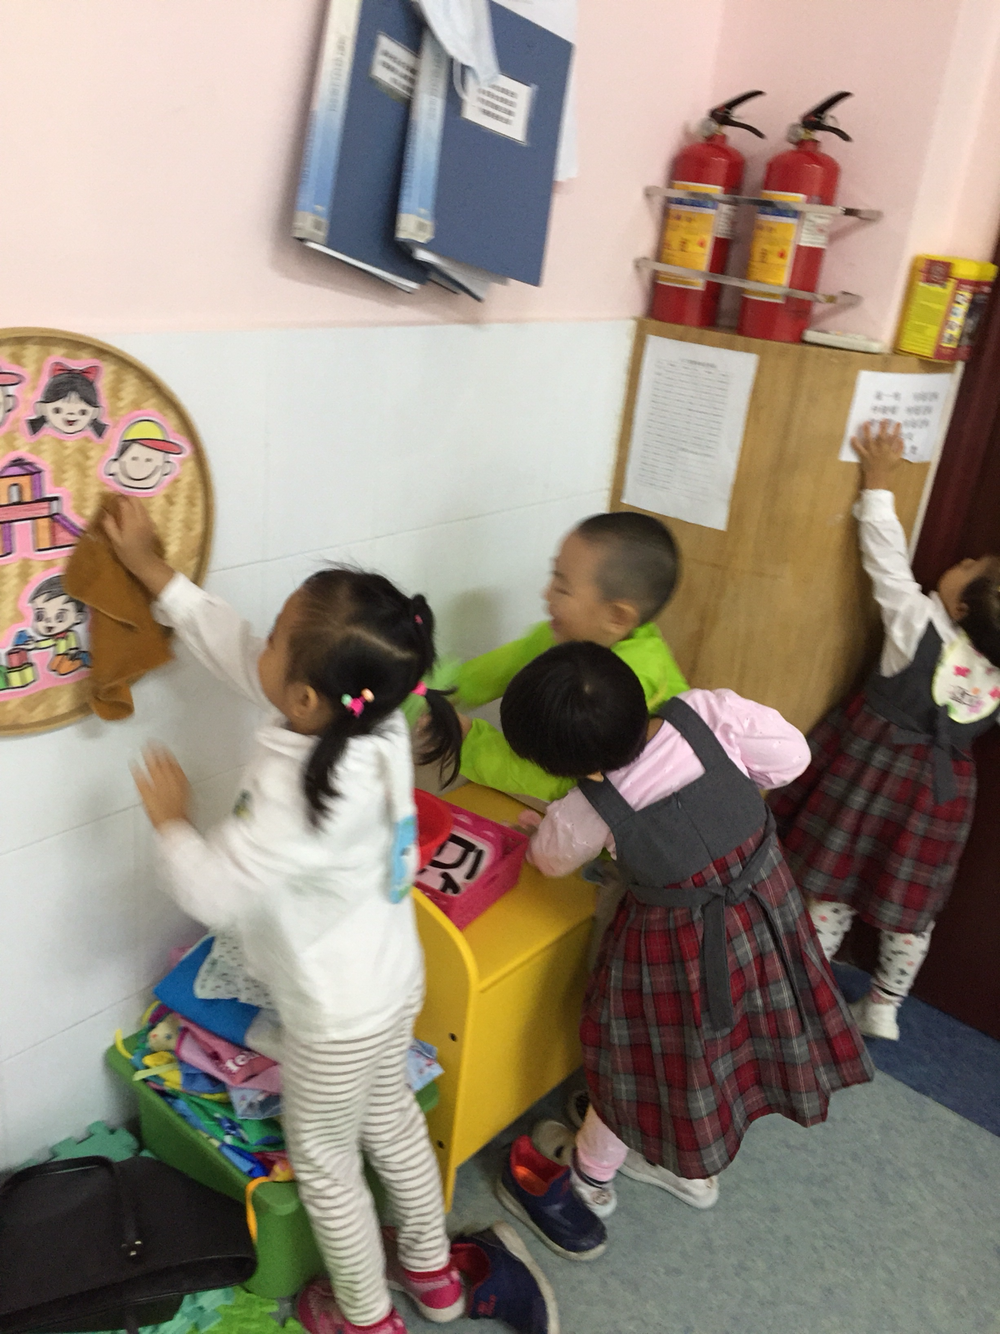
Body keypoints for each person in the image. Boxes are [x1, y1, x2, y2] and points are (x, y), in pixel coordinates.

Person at [105, 496, 465, 1334]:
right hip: (392, 984)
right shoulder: (375, 715)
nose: (258, 642)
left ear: (304, 697)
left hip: (334, 1019)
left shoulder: (293, 794)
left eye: (274, 636)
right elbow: (245, 656)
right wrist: (156, 573)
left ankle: (366, 1315)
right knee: (392, 1121)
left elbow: (213, 892)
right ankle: (434, 1272)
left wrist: (172, 823)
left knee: (327, 1164)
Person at [493, 643, 873, 1259]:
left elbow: (551, 860)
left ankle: (590, 1179)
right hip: (766, 917)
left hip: (678, 950)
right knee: (726, 1046)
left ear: (567, 765)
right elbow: (792, 757)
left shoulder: (591, 806)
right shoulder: (705, 713)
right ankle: (692, 1168)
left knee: (641, 1060)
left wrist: (545, 831)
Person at [770, 420, 1000, 1040]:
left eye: (968, 566)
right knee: (910, 910)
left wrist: (878, 483)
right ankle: (884, 1006)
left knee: (830, 887)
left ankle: (798, 993)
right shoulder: (996, 674)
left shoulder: (917, 623)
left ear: (959, 607)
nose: (959, 560)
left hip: (871, 774)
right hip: (941, 797)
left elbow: (886, 560)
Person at [455, 511, 688, 803]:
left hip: (646, 817)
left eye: (562, 588)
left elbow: (567, 781)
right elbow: (506, 664)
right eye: (553, 575)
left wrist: (466, 742)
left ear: (617, 616)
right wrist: (437, 687)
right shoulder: (573, 634)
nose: (546, 593)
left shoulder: (632, 684)